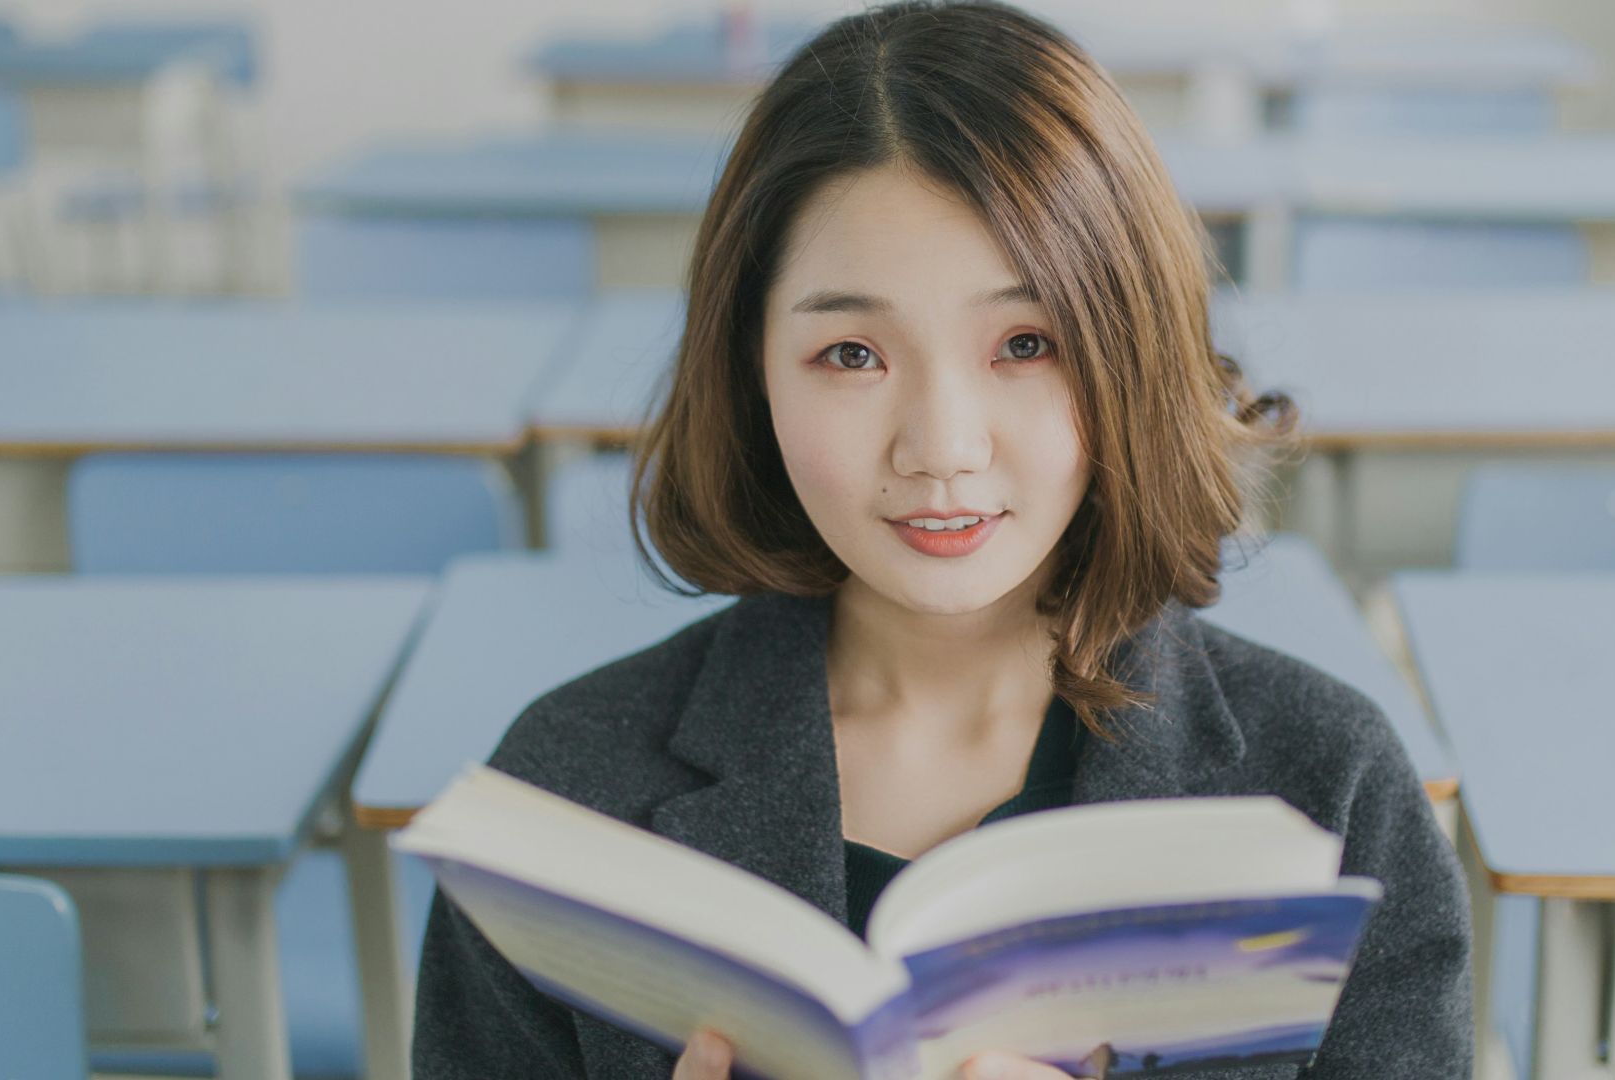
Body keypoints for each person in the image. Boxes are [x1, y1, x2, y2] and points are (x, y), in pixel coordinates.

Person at [411, 3, 1471, 1078]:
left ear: (1130, 352)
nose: (941, 448)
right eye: (851, 355)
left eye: (1024, 343)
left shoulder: (1328, 790)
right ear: (751, 375)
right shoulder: (569, 803)